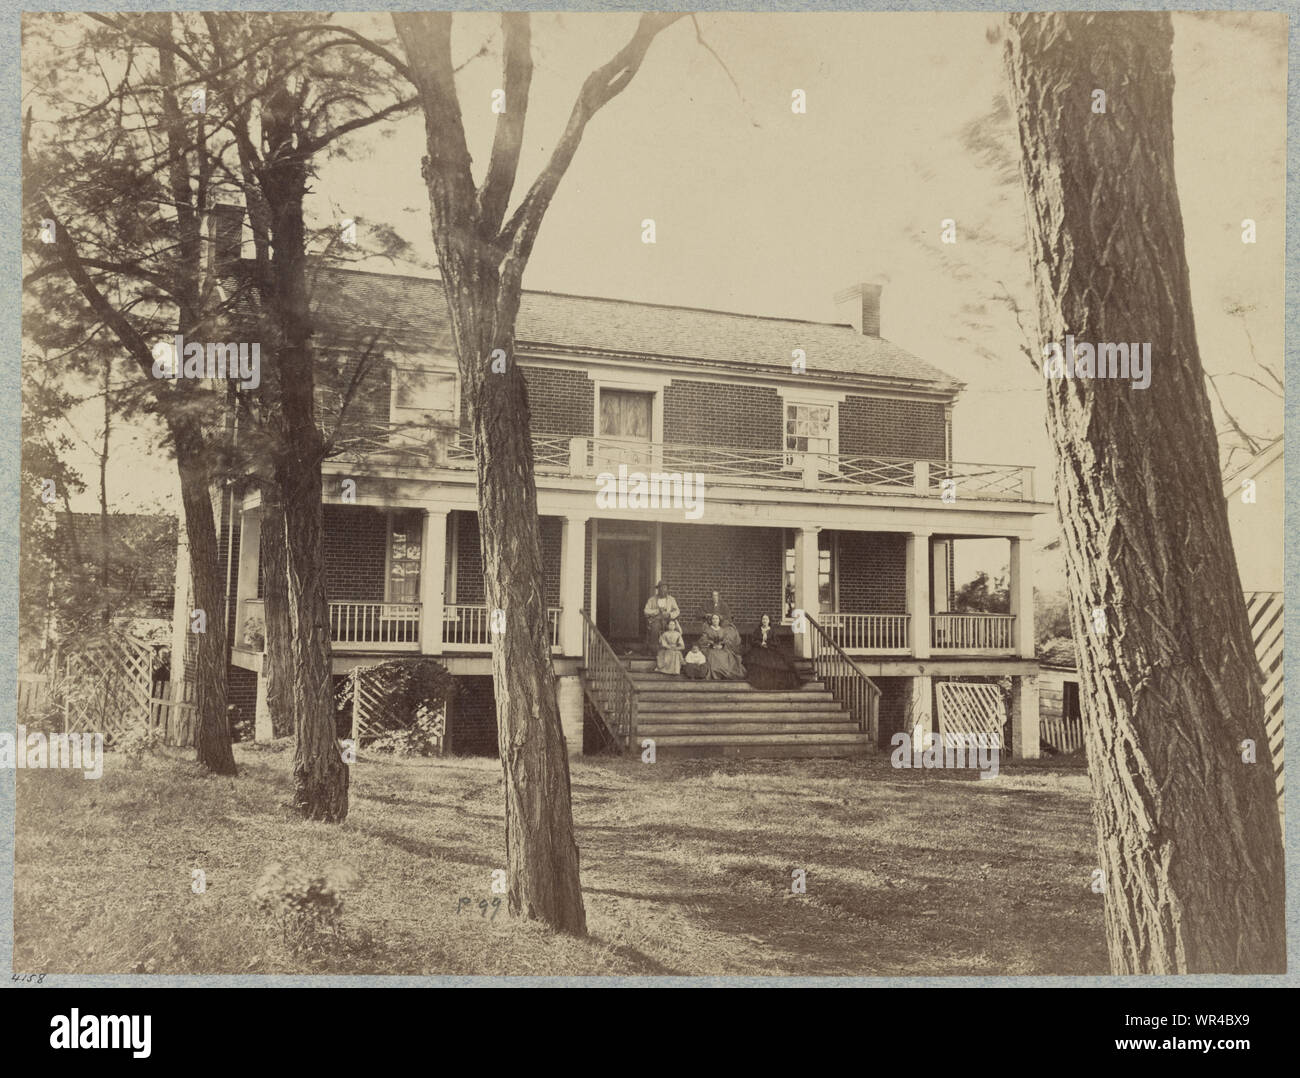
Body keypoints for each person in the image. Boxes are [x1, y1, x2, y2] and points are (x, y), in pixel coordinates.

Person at [745, 614, 802, 690]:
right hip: (759, 649)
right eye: (763, 619)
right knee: (755, 660)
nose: (764, 621)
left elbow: (776, 642)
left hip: (770, 649)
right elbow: (753, 640)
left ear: (769, 621)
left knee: (776, 662)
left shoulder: (772, 631)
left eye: (766, 619)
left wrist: (767, 644)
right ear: (761, 621)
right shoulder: (757, 630)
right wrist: (760, 643)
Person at [700, 613, 746, 680]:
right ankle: (716, 673)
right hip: (711, 649)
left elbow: (726, 640)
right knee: (712, 655)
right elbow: (704, 640)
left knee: (727, 655)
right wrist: (712, 644)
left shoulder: (723, 630)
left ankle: (725, 673)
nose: (715, 620)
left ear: (719, 620)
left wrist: (722, 645)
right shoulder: (707, 630)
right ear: (711, 620)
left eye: (716, 619)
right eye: (713, 619)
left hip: (721, 648)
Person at [643, 581, 680, 649]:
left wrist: (669, 614)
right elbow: (646, 611)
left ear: (667, 589)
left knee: (673, 628)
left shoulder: (671, 599)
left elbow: (677, 611)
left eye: (664, 588)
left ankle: (671, 648)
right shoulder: (652, 599)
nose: (662, 590)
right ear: (658, 589)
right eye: (661, 588)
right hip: (656, 620)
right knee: (655, 628)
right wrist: (656, 611)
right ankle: (654, 649)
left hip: (668, 620)